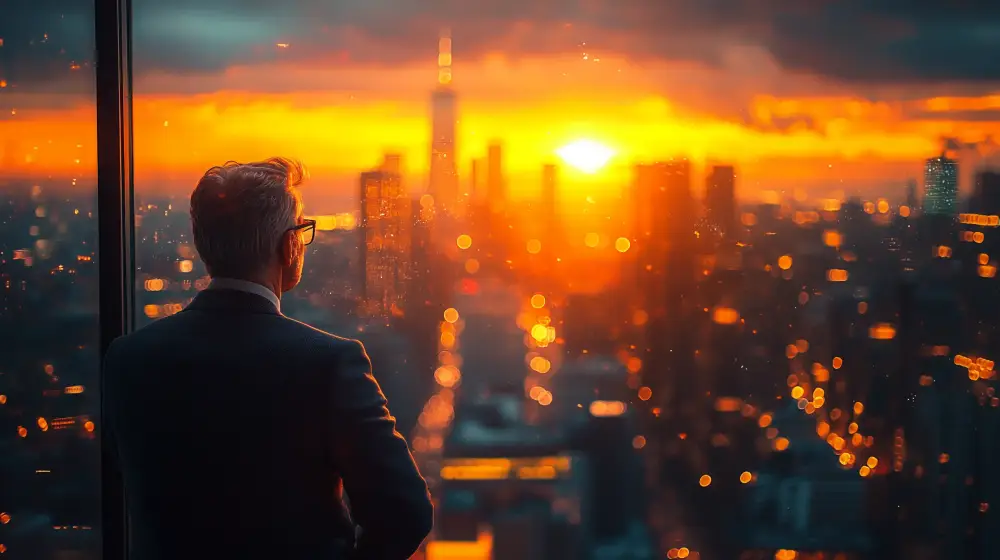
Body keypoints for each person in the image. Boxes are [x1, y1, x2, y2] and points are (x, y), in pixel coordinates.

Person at [102, 158, 433, 559]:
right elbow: (406, 512)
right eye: (303, 231)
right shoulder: (328, 364)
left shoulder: (129, 359)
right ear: (288, 244)